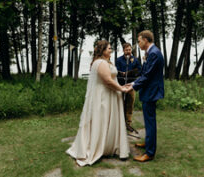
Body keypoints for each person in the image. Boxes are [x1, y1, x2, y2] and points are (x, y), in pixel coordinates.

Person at [66, 40, 130, 166]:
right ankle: (99, 146)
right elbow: (107, 81)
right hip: (104, 97)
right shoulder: (100, 63)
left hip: (110, 95)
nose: (111, 50)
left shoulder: (104, 62)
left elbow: (112, 79)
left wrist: (122, 85)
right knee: (102, 121)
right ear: (103, 50)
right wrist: (121, 88)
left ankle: (108, 145)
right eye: (109, 48)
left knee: (107, 121)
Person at [127, 30, 165, 162]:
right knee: (148, 121)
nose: (138, 43)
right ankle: (148, 144)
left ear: (146, 40)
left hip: (151, 92)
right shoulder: (150, 53)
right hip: (148, 91)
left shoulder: (154, 53)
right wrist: (133, 82)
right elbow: (144, 73)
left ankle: (149, 153)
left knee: (150, 122)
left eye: (139, 41)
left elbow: (148, 76)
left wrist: (133, 87)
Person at [116, 43, 142, 134]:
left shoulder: (135, 60)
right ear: (123, 50)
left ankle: (128, 124)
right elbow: (116, 70)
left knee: (130, 104)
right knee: (121, 104)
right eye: (126, 50)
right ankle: (121, 123)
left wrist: (129, 72)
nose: (128, 52)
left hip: (131, 86)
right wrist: (121, 73)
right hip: (121, 85)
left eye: (129, 50)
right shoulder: (119, 60)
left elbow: (139, 70)